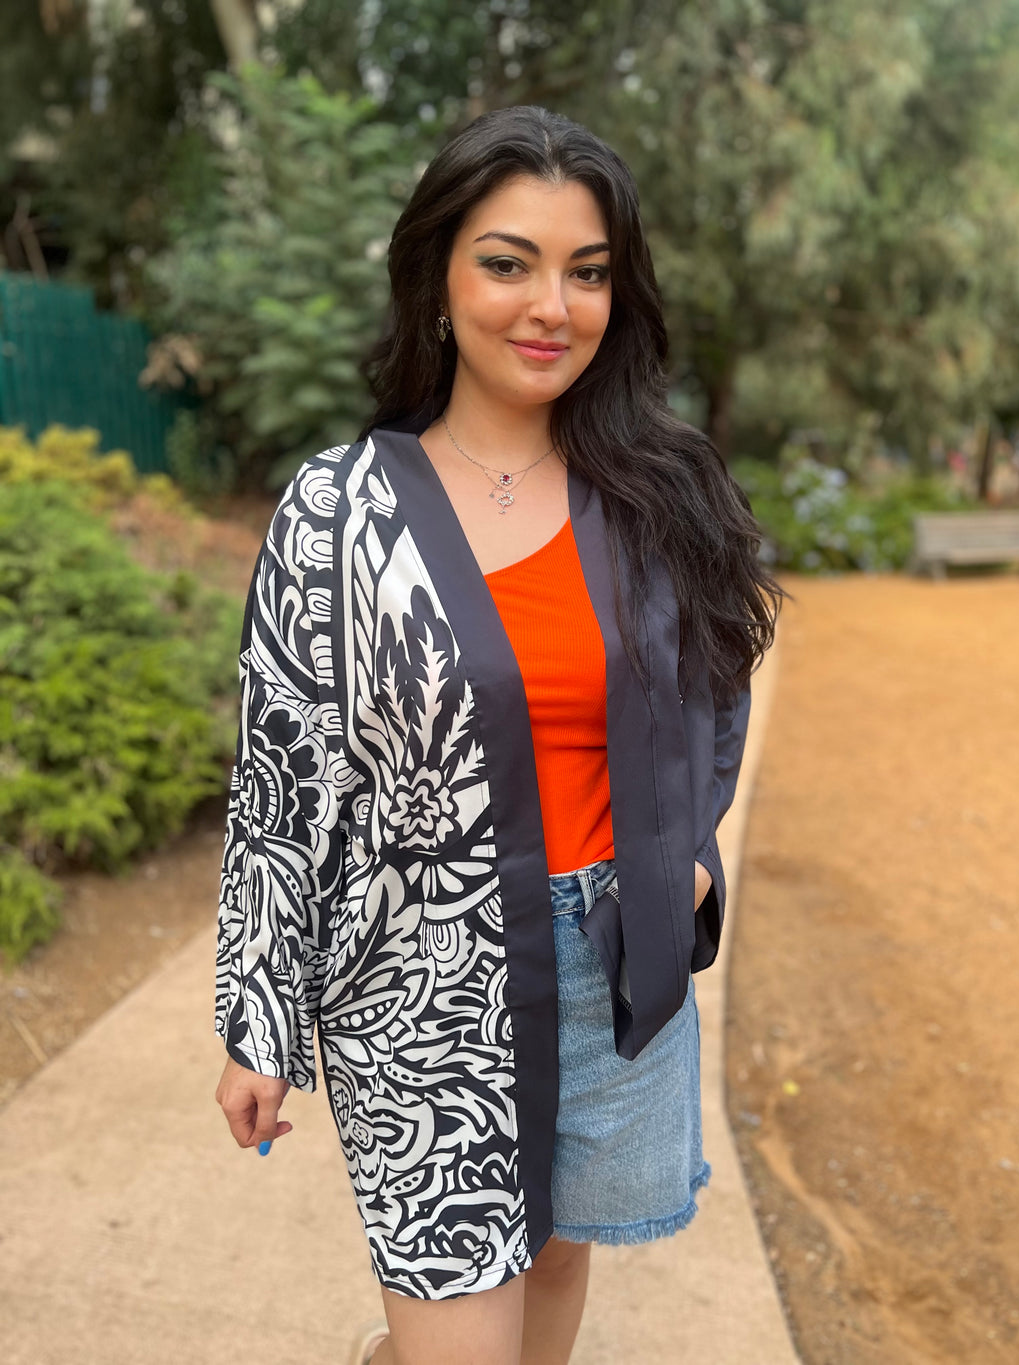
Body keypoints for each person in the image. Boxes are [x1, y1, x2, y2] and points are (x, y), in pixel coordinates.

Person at [214, 104, 783, 1365]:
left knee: (550, 1290)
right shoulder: (337, 511)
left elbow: (718, 680)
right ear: (437, 279)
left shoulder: (655, 489)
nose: (551, 306)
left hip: (611, 964)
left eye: (586, 272)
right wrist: (257, 1016)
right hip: (421, 985)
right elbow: (281, 775)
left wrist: (685, 852)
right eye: (507, 261)